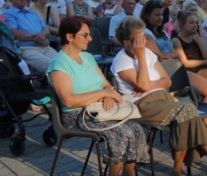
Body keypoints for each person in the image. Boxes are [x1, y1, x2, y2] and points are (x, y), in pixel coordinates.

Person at [110, 17, 207, 175]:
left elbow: (166, 81)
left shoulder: (148, 53)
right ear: (126, 42)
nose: (143, 42)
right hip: (141, 105)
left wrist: (148, 85)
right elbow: (143, 85)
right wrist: (140, 57)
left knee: (186, 114)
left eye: (144, 37)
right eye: (139, 38)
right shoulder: (121, 61)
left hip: (163, 98)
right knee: (187, 110)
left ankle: (181, 168)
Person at [48, 16, 148, 176]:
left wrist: (108, 95)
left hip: (97, 110)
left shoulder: (87, 57)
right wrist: (102, 93)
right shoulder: (60, 64)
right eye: (85, 35)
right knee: (122, 133)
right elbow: (68, 100)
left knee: (137, 129)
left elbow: (107, 85)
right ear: (69, 37)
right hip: (76, 116)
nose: (90, 38)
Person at [3, 0, 58, 74]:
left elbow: (46, 29)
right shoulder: (8, 14)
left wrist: (42, 36)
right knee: (52, 66)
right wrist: (36, 38)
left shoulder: (32, 13)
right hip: (26, 48)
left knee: (64, 63)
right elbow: (14, 32)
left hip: (44, 46)